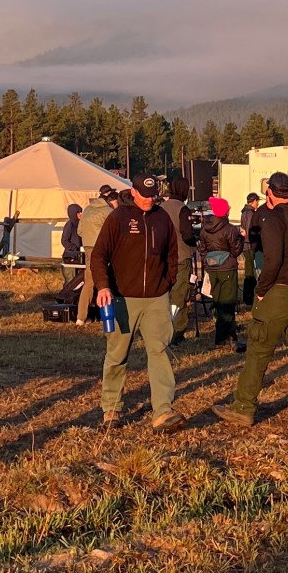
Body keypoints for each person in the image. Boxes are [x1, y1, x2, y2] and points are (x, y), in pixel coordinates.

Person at [212, 172, 288, 432]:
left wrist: (261, 289)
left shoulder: (274, 219)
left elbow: (273, 259)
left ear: (269, 192)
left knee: (258, 350)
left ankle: (243, 407)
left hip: (278, 292)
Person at [90, 172, 185, 431]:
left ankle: (163, 412)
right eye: (144, 196)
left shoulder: (162, 218)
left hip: (156, 298)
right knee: (117, 354)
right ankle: (111, 409)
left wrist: (167, 283)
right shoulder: (117, 218)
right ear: (133, 192)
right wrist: (104, 286)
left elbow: (172, 254)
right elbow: (98, 255)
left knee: (159, 352)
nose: (149, 200)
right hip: (122, 298)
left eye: (153, 196)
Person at [196, 196, 244, 349]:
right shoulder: (230, 229)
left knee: (218, 301)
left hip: (212, 269)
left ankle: (229, 336)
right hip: (227, 268)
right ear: (225, 211)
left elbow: (202, 249)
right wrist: (242, 238)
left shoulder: (205, 229)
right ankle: (223, 338)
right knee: (228, 303)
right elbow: (236, 251)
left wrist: (207, 262)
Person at [161, 176, 198, 343]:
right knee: (180, 293)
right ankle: (177, 330)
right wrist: (195, 242)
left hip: (163, 257)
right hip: (181, 256)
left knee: (165, 293)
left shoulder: (161, 207)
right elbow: (187, 234)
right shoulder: (182, 209)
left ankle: (162, 326)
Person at [74, 186, 117, 325]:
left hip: (88, 248)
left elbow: (80, 231)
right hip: (103, 248)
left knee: (89, 282)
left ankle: (81, 317)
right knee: (107, 280)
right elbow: (115, 232)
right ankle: (109, 315)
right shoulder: (108, 212)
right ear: (111, 201)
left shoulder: (87, 210)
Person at [239, 192, 263, 307]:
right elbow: (250, 230)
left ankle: (248, 298)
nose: (258, 203)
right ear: (254, 201)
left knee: (250, 272)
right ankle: (248, 298)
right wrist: (254, 243)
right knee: (250, 273)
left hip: (247, 245)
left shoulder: (245, 212)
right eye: (257, 201)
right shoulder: (250, 213)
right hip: (249, 246)